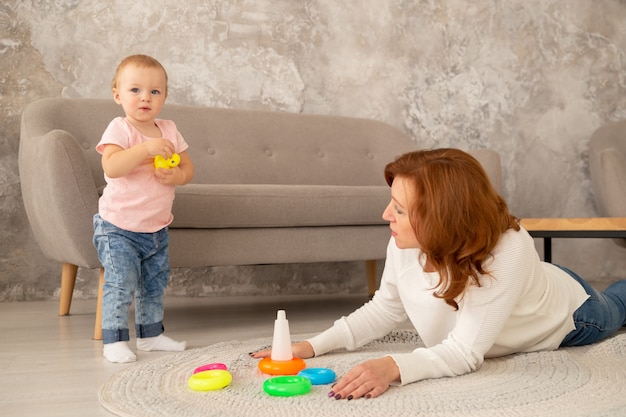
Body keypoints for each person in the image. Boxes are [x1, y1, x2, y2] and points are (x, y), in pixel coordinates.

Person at [251, 148, 626, 399]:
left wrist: (393, 366)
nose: (386, 215)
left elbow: (465, 352)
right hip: (530, 283)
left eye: (398, 209)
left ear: (440, 218)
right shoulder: (405, 242)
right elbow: (384, 309)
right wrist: (312, 345)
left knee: (619, 303)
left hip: (575, 313)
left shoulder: (509, 247)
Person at [93, 54, 195, 363]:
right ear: (117, 94)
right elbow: (112, 167)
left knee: (154, 286)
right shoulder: (119, 129)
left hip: (156, 228)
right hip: (119, 227)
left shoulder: (169, 129)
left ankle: (151, 336)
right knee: (121, 283)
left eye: (154, 91)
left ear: (164, 96)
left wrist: (176, 175)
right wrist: (145, 149)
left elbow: (188, 169)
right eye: (135, 90)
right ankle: (114, 340)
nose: (145, 98)